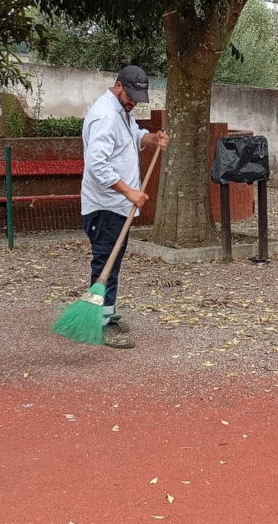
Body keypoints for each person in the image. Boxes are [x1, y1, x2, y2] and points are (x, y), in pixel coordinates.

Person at [80, 65, 169, 348]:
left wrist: (152, 139)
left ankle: (106, 313)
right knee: (105, 263)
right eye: (130, 95)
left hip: (117, 205)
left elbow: (133, 135)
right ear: (118, 86)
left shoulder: (122, 112)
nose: (133, 102)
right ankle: (98, 323)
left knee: (112, 263)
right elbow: (97, 166)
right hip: (105, 206)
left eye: (137, 98)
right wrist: (129, 191)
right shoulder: (105, 116)